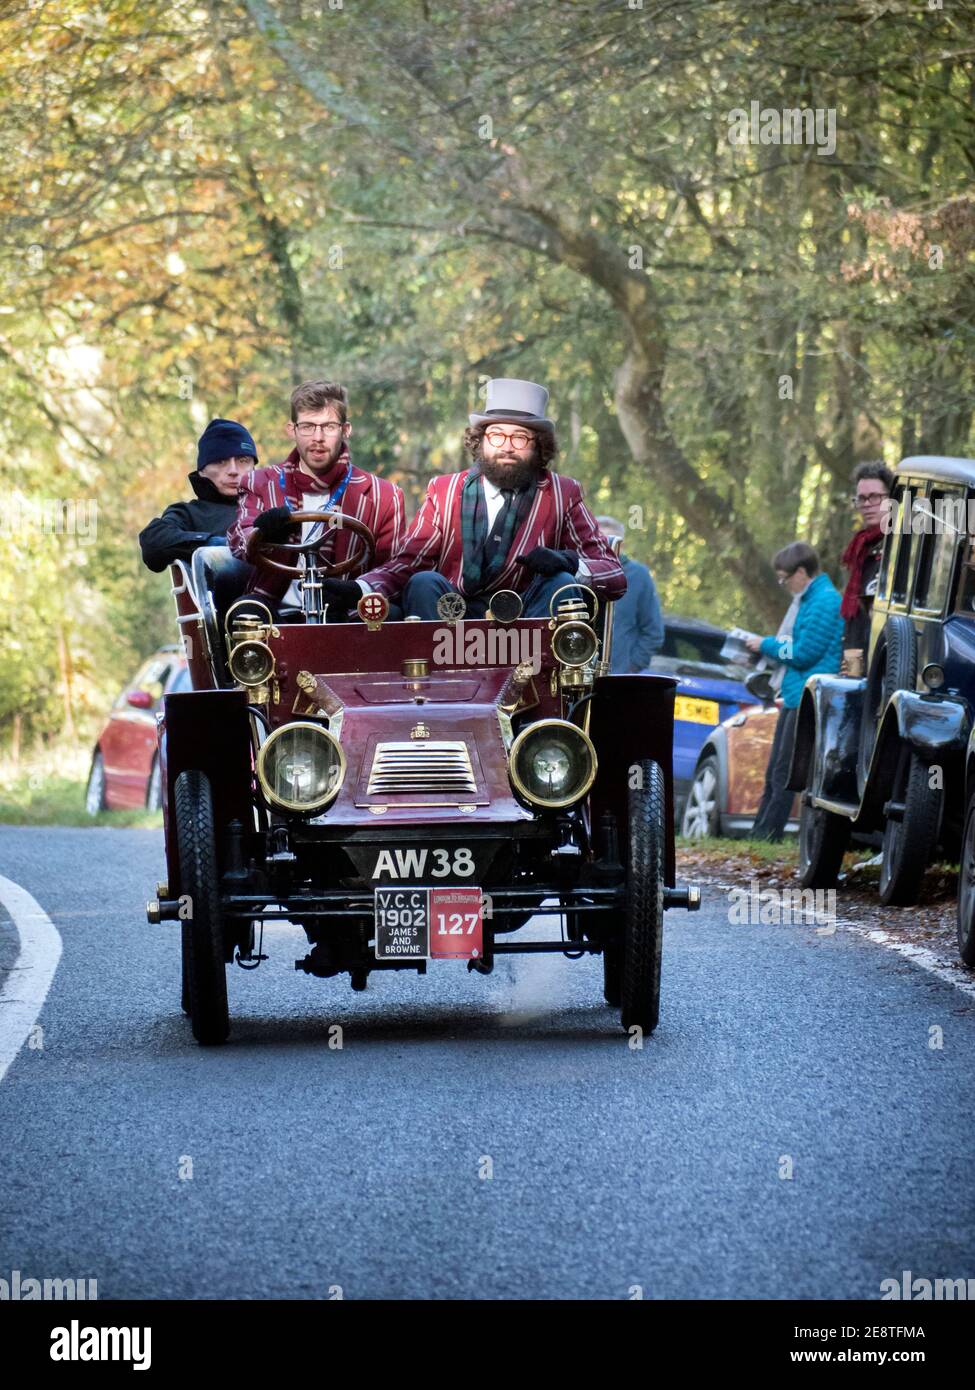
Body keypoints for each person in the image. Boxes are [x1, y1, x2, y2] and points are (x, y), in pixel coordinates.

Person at [318, 378, 625, 619]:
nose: (507, 446)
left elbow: (613, 574)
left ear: (538, 447)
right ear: (480, 441)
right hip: (454, 622)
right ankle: (432, 689)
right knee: (424, 583)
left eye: (520, 438)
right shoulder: (444, 490)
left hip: (527, 623)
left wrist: (570, 564)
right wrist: (359, 589)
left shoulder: (562, 493)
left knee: (560, 583)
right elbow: (409, 562)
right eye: (496, 435)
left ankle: (544, 690)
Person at [228, 381, 406, 618]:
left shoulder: (384, 496)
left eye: (329, 426)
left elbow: (396, 566)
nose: (318, 437)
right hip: (276, 612)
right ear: (292, 430)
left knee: (391, 616)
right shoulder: (259, 483)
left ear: (346, 430)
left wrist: (356, 590)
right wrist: (264, 534)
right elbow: (239, 540)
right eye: (308, 427)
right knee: (244, 612)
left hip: (348, 614)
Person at [745, 541, 843, 842]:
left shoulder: (824, 601)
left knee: (785, 772)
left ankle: (769, 834)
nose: (783, 584)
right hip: (794, 693)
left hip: (806, 695)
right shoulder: (810, 600)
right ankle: (760, 832)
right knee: (776, 768)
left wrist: (766, 645)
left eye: (784, 577)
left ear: (801, 572)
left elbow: (803, 652)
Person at [139, 418, 258, 612]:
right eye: (221, 461)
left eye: (243, 460)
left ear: (253, 466)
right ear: (202, 470)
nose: (233, 471)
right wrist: (215, 545)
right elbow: (152, 541)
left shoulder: (273, 506)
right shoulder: (190, 514)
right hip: (229, 619)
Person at [840, 461, 893, 675]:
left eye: (875, 497)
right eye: (861, 498)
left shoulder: (901, 545)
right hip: (856, 650)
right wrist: (851, 669)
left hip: (886, 662)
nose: (867, 504)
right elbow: (855, 615)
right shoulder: (861, 547)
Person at [595, 516, 664, 672]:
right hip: (579, 675)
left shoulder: (639, 576)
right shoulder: (578, 572)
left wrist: (631, 667)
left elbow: (653, 632)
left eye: (610, 542)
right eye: (599, 541)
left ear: (621, 545)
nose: (604, 547)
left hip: (618, 678)